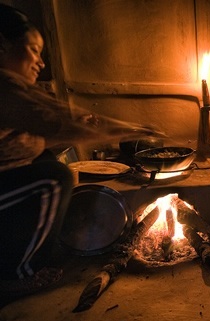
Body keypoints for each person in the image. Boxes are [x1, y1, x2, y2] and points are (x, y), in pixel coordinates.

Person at [0, 4, 163, 299]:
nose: (39, 62)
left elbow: (26, 140)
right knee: (54, 177)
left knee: (46, 162)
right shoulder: (5, 86)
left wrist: (81, 125)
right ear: (2, 46)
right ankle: (16, 273)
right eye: (33, 50)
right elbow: (58, 120)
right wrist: (132, 128)